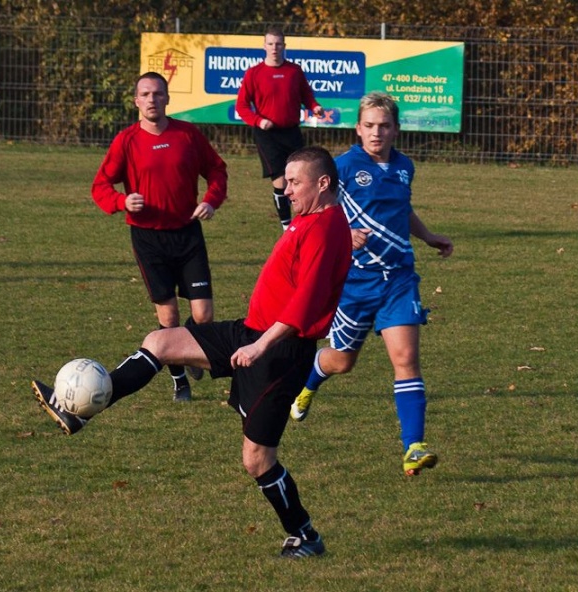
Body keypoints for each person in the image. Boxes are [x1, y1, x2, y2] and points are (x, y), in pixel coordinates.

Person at [33, 147, 353, 559]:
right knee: (162, 342)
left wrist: (259, 346)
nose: (287, 190)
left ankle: (306, 535)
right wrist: (252, 339)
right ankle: (78, 411)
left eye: (295, 182)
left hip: (278, 353)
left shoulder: (325, 229)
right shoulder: (310, 219)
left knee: (257, 460)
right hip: (250, 333)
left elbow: (304, 307)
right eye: (287, 181)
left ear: (323, 183)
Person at [290, 92, 454, 477]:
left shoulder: (404, 167)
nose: (376, 132)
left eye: (384, 126)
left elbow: (402, 210)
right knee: (342, 362)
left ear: (396, 129)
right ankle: (313, 376)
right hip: (354, 282)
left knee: (406, 359)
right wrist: (346, 233)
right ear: (358, 129)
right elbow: (317, 215)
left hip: (398, 279)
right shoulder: (343, 167)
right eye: (369, 126)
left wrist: (428, 236)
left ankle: (414, 447)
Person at [92, 71, 228, 402]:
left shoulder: (187, 135)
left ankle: (189, 348)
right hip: (149, 238)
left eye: (158, 93)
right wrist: (121, 201)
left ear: (167, 98)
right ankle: (180, 379)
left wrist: (211, 201)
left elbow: (217, 170)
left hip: (188, 233)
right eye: (145, 94)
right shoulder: (126, 141)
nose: (152, 99)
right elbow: (100, 186)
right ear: (136, 101)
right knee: (167, 317)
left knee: (203, 316)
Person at [236, 26, 324, 230]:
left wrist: (315, 107)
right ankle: (286, 225)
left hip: (292, 132)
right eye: (270, 44)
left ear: (284, 46)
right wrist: (259, 121)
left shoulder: (294, 71)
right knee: (281, 181)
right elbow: (242, 106)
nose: (274, 48)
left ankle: (304, 216)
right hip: (267, 135)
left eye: (278, 44)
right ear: (264, 46)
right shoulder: (254, 73)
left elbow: (307, 96)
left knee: (301, 176)